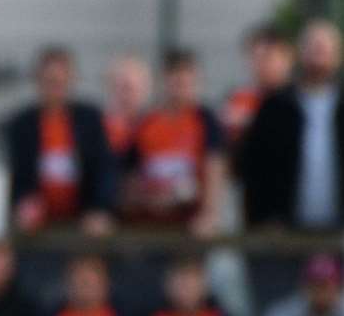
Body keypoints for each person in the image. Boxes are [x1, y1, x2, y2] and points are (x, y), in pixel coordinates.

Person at [240, 19, 343, 230]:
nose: (319, 55)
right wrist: (263, 217)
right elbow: (256, 168)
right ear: (299, 52)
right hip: (285, 231)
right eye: (313, 47)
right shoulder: (275, 107)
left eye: (324, 48)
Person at [5, 46, 116, 234]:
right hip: (39, 219)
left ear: (71, 80)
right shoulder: (22, 124)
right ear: (38, 81)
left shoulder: (89, 119)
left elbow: (102, 168)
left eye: (60, 82)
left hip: (82, 216)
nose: (55, 88)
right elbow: (18, 173)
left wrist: (99, 208)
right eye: (50, 81)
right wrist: (24, 201)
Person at [122, 49, 226, 236]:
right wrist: (146, 198)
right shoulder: (147, 122)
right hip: (150, 222)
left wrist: (210, 213)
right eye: (177, 82)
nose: (182, 88)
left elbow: (214, 166)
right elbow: (131, 173)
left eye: (187, 82)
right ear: (164, 81)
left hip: (190, 224)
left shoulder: (204, 119)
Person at [222, 23, 295, 151]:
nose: (260, 65)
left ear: (287, 58)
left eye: (267, 57)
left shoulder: (301, 100)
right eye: (254, 57)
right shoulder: (239, 102)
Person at [103, 53, 152, 156]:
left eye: (132, 88)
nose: (127, 95)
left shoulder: (156, 125)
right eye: (123, 87)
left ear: (146, 88)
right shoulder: (100, 130)